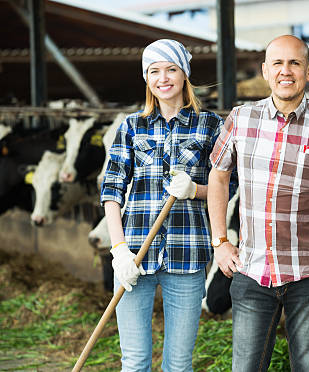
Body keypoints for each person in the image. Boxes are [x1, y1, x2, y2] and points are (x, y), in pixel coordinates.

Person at [207, 35, 309, 372]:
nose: (286, 71)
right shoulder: (241, 119)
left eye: (295, 63)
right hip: (253, 273)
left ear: (308, 71)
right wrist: (221, 241)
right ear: (266, 71)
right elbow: (218, 177)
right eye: (278, 64)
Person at [100, 39, 235, 371]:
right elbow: (112, 190)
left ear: (184, 74)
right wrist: (119, 250)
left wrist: (194, 190)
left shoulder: (211, 125)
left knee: (178, 364)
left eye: (171, 69)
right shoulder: (131, 126)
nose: (163, 78)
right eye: (154, 71)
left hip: (187, 254)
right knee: (134, 362)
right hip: (135, 255)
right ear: (147, 78)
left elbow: (227, 187)